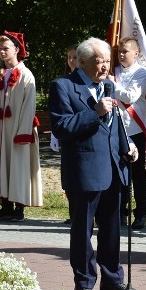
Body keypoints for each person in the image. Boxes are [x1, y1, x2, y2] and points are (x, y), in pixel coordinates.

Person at [49, 37, 139, 290]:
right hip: (84, 171)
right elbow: (61, 127)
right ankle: (84, 285)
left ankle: (112, 280)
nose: (105, 67)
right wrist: (95, 112)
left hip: (113, 168)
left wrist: (128, 145)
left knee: (112, 229)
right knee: (83, 231)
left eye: (108, 62)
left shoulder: (108, 85)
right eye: (100, 62)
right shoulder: (63, 86)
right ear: (82, 61)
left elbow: (114, 125)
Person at [0, 31, 43, 221]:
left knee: (18, 166)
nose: (2, 52)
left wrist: (23, 133)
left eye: (6, 48)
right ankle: (5, 205)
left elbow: (29, 106)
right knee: (1, 164)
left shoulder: (26, 75)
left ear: (16, 50)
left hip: (18, 129)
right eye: (0, 48)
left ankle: (19, 208)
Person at [111, 37, 146, 230]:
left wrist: (112, 84)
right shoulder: (114, 70)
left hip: (134, 128)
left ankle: (141, 213)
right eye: (119, 51)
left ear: (136, 53)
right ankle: (119, 210)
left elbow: (131, 96)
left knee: (137, 174)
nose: (121, 54)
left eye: (125, 51)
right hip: (116, 128)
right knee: (117, 172)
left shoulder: (141, 73)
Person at [51, 45, 78, 225]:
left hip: (81, 134)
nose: (71, 61)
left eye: (75, 57)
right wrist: (55, 135)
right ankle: (74, 210)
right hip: (67, 135)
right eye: (69, 57)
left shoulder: (89, 82)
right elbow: (58, 112)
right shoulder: (62, 82)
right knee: (69, 177)